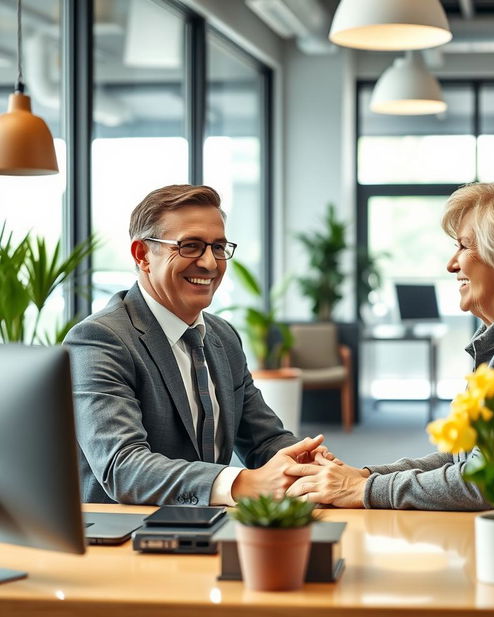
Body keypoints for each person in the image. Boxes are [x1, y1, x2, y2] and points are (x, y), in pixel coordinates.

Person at [285, 178, 494, 510]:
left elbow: (490, 480)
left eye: (464, 246)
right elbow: (464, 458)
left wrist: (365, 489)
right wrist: (363, 477)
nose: (451, 264)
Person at [65, 184, 331, 505]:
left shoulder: (223, 337)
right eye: (190, 246)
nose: (209, 263)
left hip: (207, 530)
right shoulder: (101, 339)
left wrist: (305, 463)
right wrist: (243, 483)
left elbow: (264, 439)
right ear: (143, 255)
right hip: (127, 538)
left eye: (218, 247)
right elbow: (123, 468)